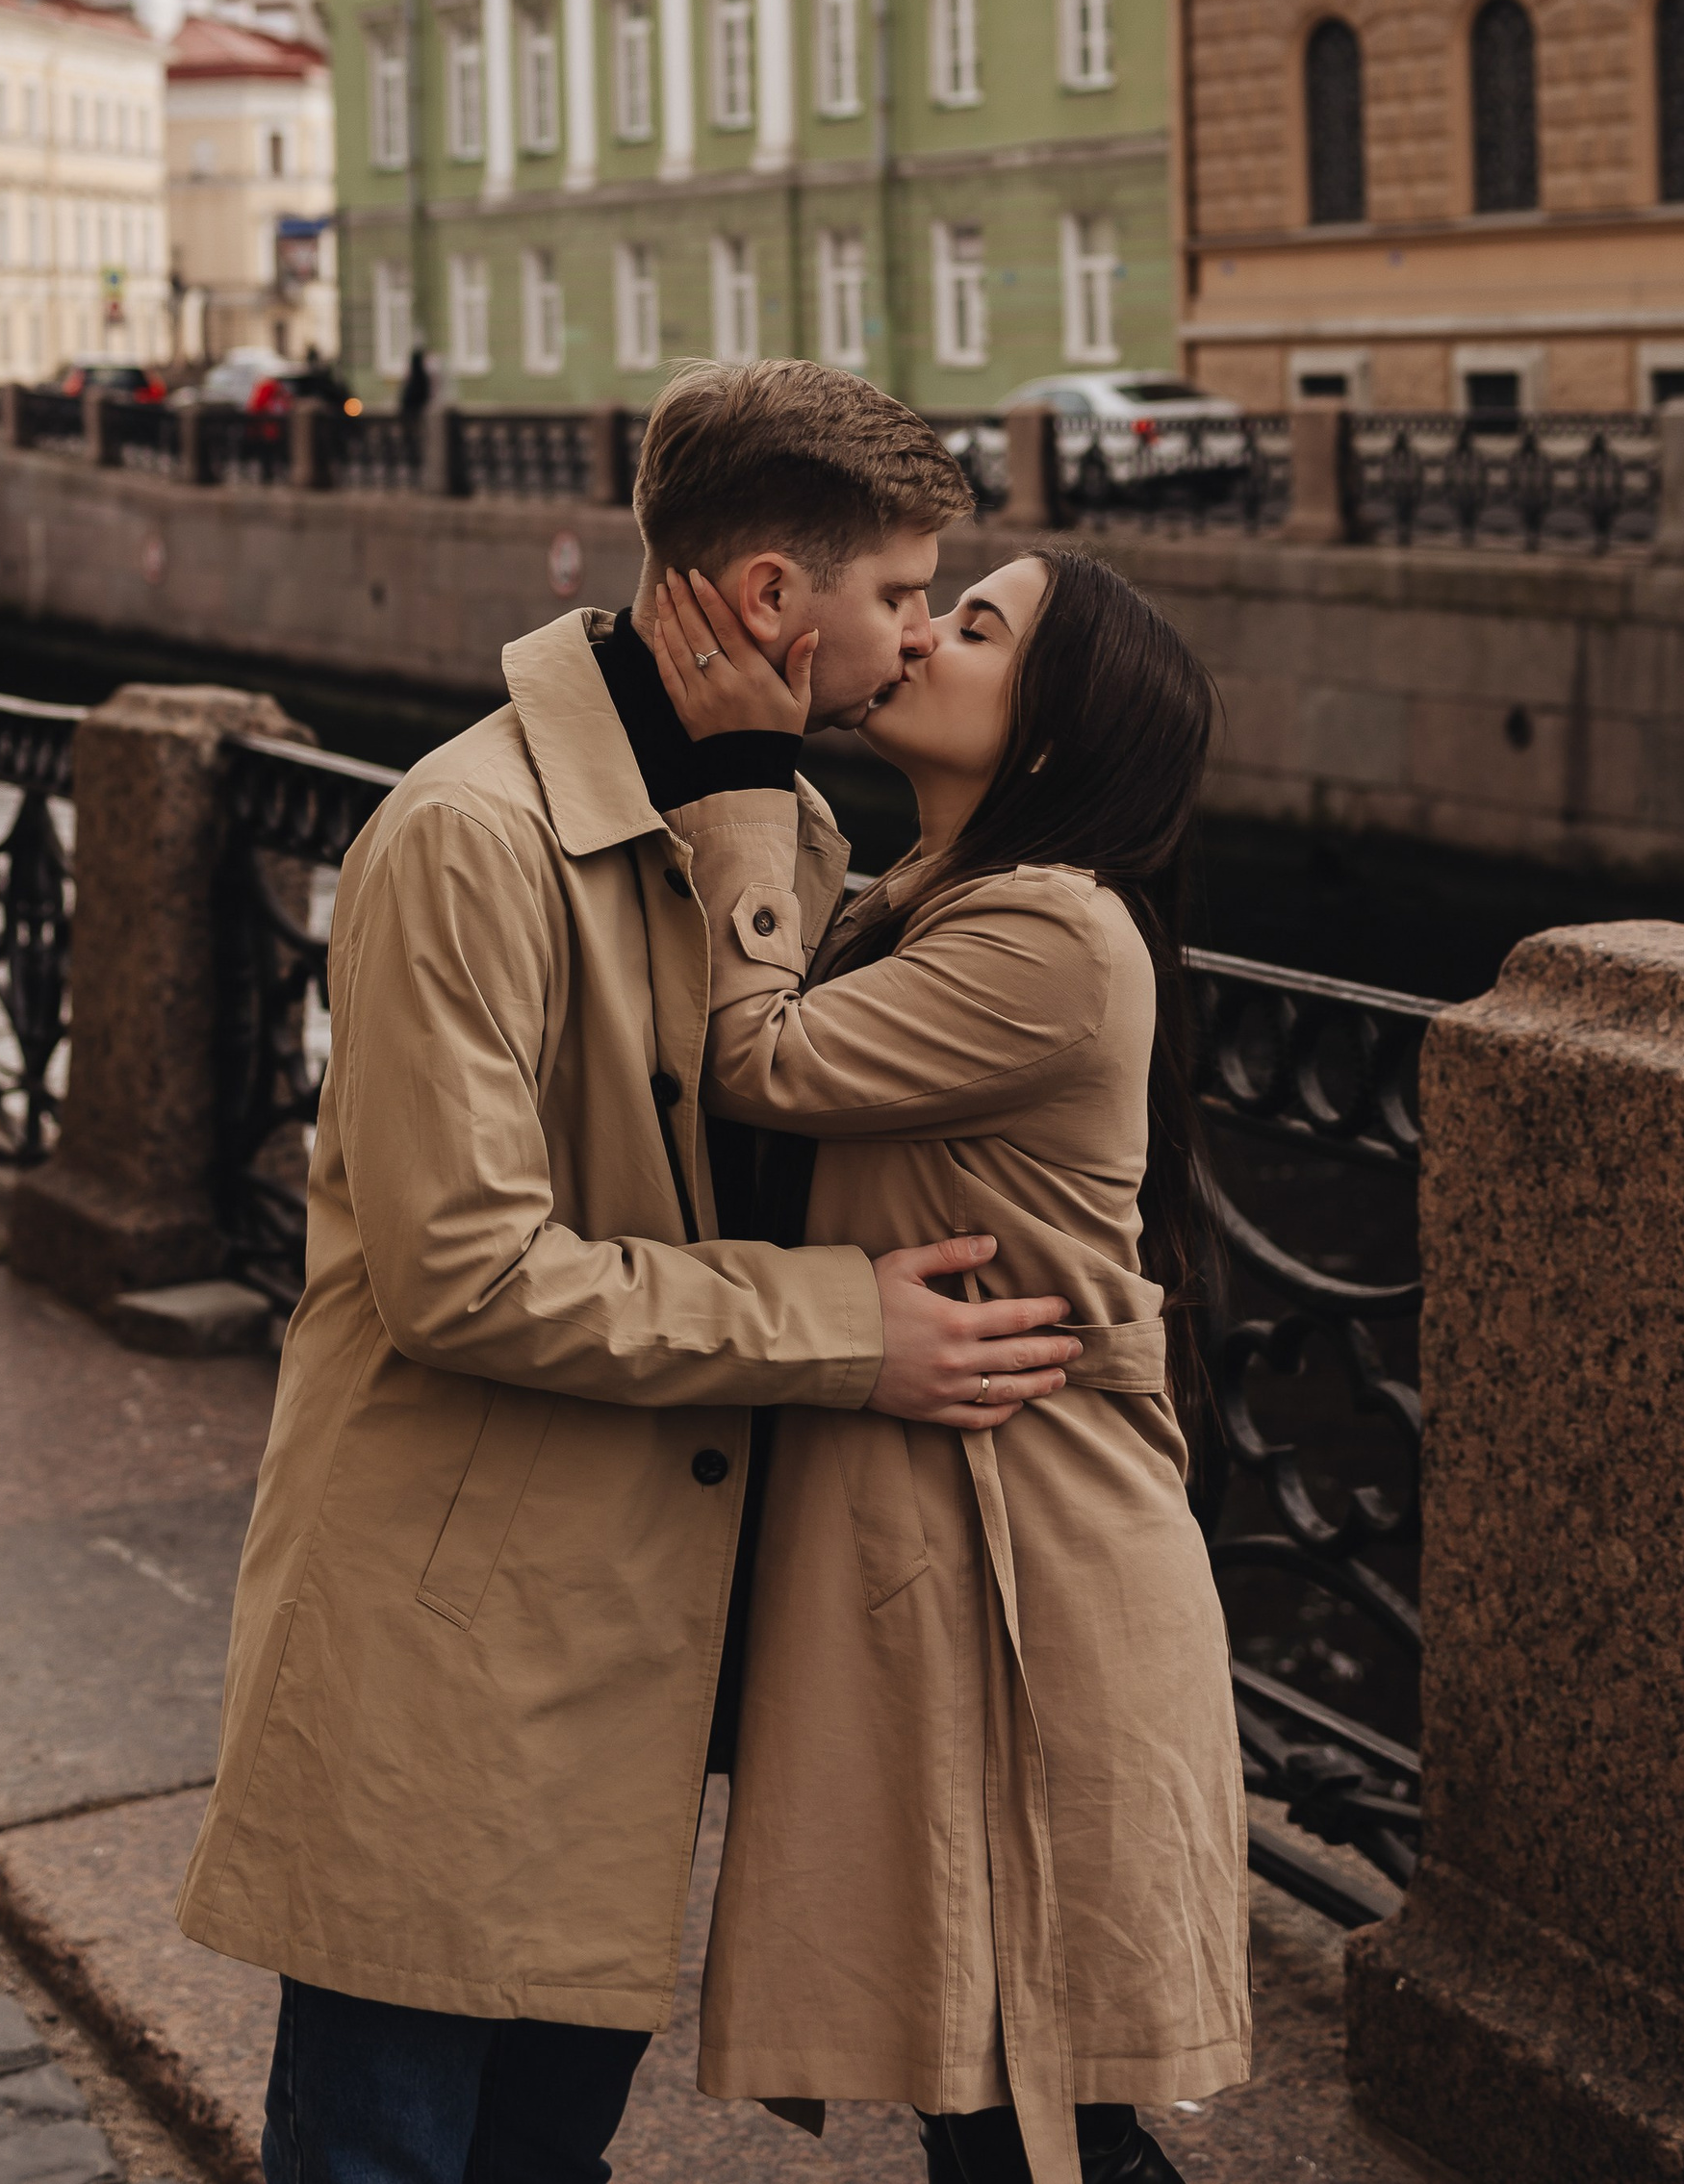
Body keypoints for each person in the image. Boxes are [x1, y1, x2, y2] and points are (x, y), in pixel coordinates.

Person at [176, 361, 1087, 2184]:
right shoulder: (468, 833)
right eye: (903, 591)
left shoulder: (774, 815)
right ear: (773, 596)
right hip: (451, 1630)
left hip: (629, 1623)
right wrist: (850, 1331)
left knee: (540, 2158)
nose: (920, 635)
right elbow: (465, 1272)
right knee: (387, 2157)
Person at [646, 546, 1250, 2184]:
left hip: (1027, 1564)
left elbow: (752, 1055)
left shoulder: (1052, 930)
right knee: (994, 2086)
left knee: (1034, 2104)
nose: (919, 634)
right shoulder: (933, 898)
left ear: (1049, 731)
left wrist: (742, 762)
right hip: (962, 1539)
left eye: (975, 625)